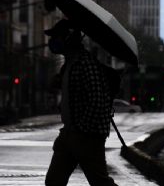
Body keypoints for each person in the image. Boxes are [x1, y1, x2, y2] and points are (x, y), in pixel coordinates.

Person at [44, 19, 118, 186]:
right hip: (69, 134)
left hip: (87, 136)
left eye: (57, 37)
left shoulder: (85, 63)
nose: (53, 42)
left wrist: (82, 130)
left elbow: (97, 100)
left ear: (69, 38)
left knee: (100, 182)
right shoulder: (69, 64)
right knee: (54, 181)